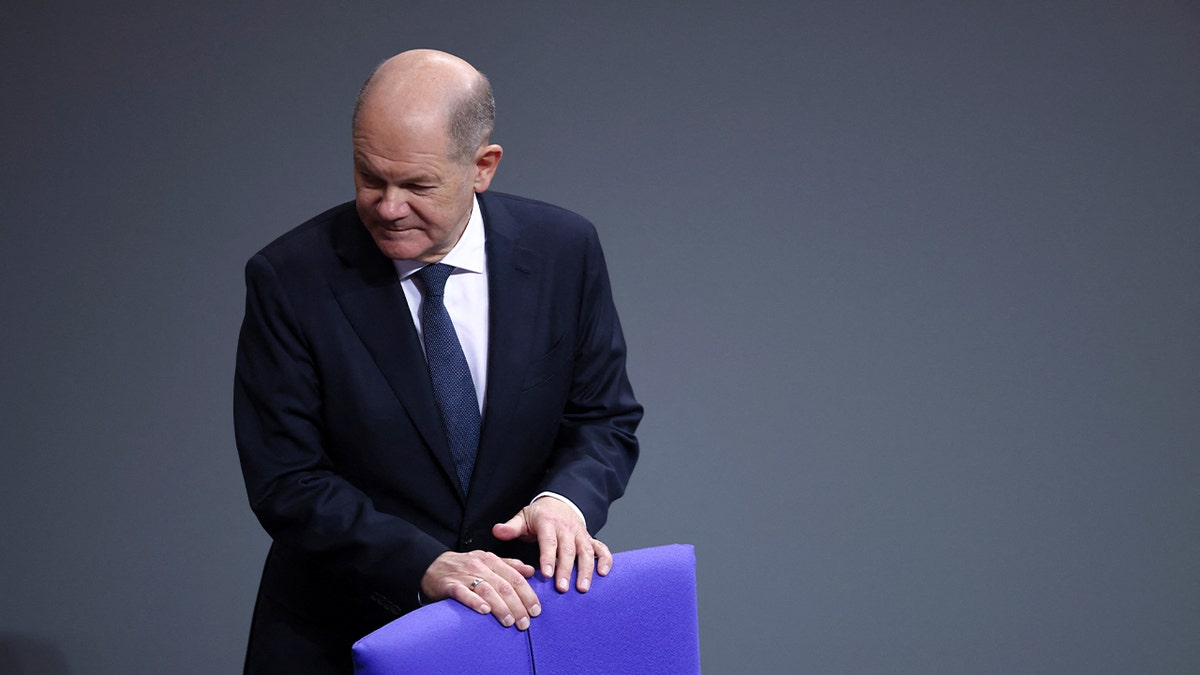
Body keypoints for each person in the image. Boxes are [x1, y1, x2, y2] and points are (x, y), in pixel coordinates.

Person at [233, 49, 641, 673]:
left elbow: (603, 417)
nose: (388, 206)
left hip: (518, 627)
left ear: (483, 166)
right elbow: (287, 479)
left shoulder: (565, 250)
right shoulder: (289, 279)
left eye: (418, 185)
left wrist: (566, 499)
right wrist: (419, 564)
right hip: (339, 635)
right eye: (370, 177)